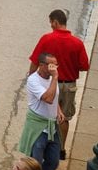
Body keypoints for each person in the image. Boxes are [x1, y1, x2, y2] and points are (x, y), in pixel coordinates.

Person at [28, 9, 89, 152]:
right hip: (69, 85)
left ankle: (41, 146)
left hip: (49, 84)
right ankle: (60, 149)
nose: (51, 26)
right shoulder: (77, 43)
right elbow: (84, 66)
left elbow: (35, 61)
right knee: (64, 118)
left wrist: (31, 77)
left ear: (55, 22)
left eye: (51, 23)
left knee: (44, 115)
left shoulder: (47, 39)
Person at [18, 53, 65, 170]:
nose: (54, 68)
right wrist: (55, 78)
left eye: (56, 65)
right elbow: (48, 98)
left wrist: (58, 110)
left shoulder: (51, 78)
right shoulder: (33, 80)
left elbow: (55, 96)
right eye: (51, 65)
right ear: (41, 65)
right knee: (35, 164)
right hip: (38, 127)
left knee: (53, 161)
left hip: (51, 127)